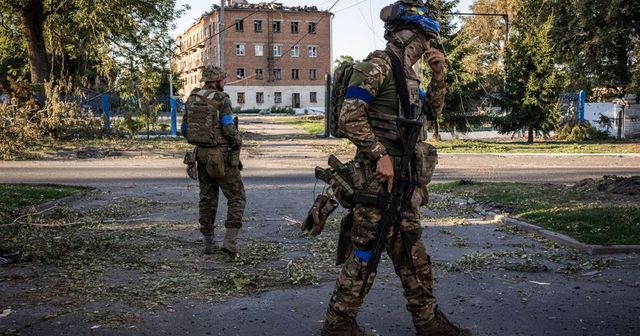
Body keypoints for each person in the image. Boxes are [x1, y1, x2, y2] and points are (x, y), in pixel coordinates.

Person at [321, 1, 471, 335]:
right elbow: (350, 116)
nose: (427, 48)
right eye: (425, 41)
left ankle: (428, 321)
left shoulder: (410, 73)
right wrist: (379, 154)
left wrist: (439, 76)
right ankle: (338, 324)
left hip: (404, 182)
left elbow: (429, 115)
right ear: (410, 37)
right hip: (378, 181)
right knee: (364, 254)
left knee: (413, 254)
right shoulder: (378, 65)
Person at [182, 65, 246, 256]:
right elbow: (227, 126)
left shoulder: (192, 98)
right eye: (223, 80)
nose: (225, 83)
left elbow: (185, 129)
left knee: (207, 199)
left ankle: (209, 244)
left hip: (200, 155)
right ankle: (230, 243)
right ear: (216, 81)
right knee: (237, 197)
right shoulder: (222, 99)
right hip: (221, 156)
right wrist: (237, 141)